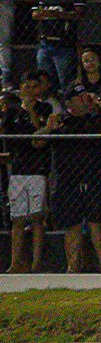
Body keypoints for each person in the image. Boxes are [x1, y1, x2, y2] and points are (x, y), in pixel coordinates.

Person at [43, 86, 101, 274]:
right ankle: (73, 266)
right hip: (67, 180)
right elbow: (37, 142)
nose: (83, 99)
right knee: (72, 224)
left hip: (92, 176)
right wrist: (48, 129)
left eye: (84, 96)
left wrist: (97, 102)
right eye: (78, 97)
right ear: (69, 102)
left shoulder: (95, 119)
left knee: (96, 223)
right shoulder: (60, 121)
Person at [3, 93, 52, 272]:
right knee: (17, 219)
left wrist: (31, 111)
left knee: (37, 217)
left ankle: (35, 263)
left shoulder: (44, 109)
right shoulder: (12, 113)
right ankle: (16, 262)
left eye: (33, 88)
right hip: (17, 170)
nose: (30, 91)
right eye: (27, 88)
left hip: (37, 170)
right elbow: (8, 137)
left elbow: (39, 136)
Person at [32, 0, 85, 93]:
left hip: (65, 43)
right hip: (45, 42)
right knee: (44, 83)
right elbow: (34, 13)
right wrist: (40, 14)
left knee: (66, 83)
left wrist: (57, 14)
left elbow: (79, 14)